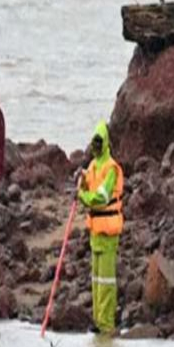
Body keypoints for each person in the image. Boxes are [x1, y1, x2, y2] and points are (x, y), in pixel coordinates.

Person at [77, 121, 124, 335]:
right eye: (93, 142)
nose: (95, 146)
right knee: (96, 280)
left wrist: (83, 196)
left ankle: (106, 324)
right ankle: (98, 320)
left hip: (108, 230)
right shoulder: (93, 166)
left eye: (98, 142)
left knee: (106, 281)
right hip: (96, 231)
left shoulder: (110, 167)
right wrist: (81, 183)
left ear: (104, 143)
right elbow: (87, 184)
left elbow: (101, 197)